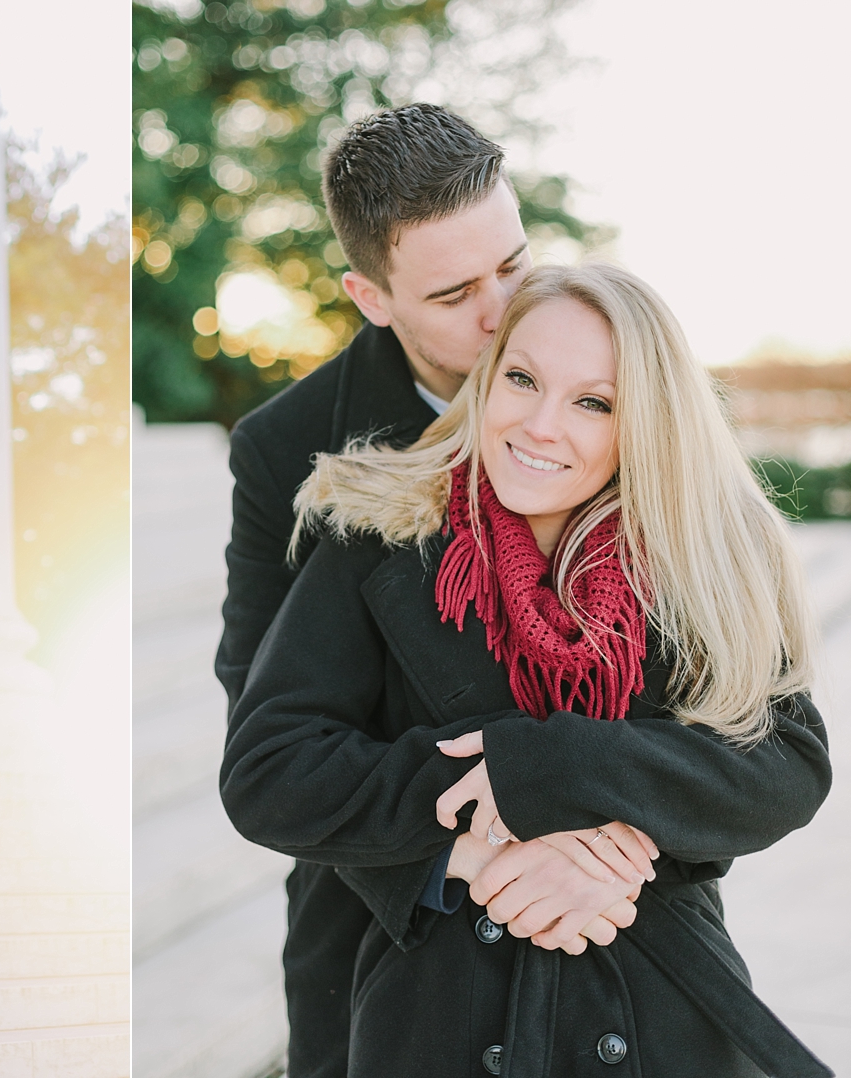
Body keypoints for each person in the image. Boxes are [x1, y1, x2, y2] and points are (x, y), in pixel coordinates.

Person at [221, 262, 833, 1076]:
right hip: (440, 1005)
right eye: (522, 379)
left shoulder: (703, 558)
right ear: (488, 378)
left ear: (643, 422)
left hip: (652, 996)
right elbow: (270, 768)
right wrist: (475, 847)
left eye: (593, 402)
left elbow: (786, 764)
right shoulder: (379, 533)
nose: (542, 425)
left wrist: (559, 773)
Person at [216, 103, 646, 1076]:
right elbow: (265, 707)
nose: (503, 311)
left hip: (606, 907)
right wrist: (459, 851)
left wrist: (624, 826)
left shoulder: (623, 379)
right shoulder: (285, 448)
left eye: (515, 263)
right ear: (370, 297)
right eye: (455, 294)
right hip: (385, 917)